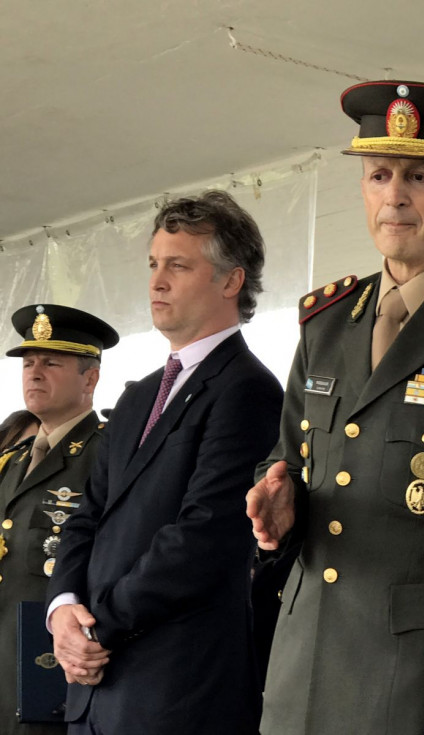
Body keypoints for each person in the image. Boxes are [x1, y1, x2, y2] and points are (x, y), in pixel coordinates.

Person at [247, 80, 424, 735]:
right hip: (300, 671)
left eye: (420, 176)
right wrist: (277, 501)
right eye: (379, 174)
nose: (395, 194)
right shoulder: (325, 321)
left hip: (414, 686)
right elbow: (289, 456)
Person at [46, 190, 283, 735]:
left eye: (179, 265)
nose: (157, 281)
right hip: (95, 691)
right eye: (154, 264)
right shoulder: (138, 395)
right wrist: (62, 610)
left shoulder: (247, 389)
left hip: (179, 692)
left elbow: (205, 538)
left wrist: (96, 626)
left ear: (231, 281)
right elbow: (89, 514)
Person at [0, 305, 117, 734]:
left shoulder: (109, 455)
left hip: (58, 674)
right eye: (28, 363)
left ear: (90, 377)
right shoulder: (10, 463)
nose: (34, 374)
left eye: (51, 363)